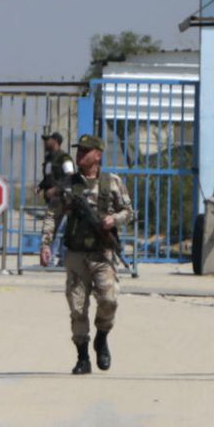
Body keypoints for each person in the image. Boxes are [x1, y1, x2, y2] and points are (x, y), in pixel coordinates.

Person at [39, 134, 134, 375]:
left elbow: (128, 211)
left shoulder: (112, 182)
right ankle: (82, 357)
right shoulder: (69, 185)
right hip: (76, 254)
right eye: (79, 151)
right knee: (77, 308)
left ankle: (101, 337)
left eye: (85, 151)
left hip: (103, 253)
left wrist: (115, 219)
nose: (80, 155)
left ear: (98, 155)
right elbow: (53, 214)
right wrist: (46, 244)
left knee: (109, 300)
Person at [36, 132, 74, 266]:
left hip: (65, 200)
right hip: (53, 202)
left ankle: (62, 260)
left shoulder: (64, 158)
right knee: (49, 229)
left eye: (48, 140)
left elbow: (70, 177)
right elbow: (48, 177)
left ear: (56, 141)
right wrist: (41, 187)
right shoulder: (49, 159)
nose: (45, 143)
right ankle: (49, 259)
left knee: (66, 230)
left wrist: (56, 189)